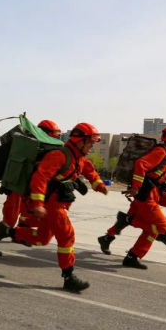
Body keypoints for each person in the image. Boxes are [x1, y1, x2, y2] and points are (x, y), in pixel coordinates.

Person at [98, 128, 166, 269]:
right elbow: (141, 164)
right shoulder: (162, 152)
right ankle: (133, 235)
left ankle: (111, 238)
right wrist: (136, 187)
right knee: (158, 227)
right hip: (147, 192)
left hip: (154, 191)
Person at [21, 123, 108, 291]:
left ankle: (9, 232)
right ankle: (69, 276)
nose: (92, 146)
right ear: (79, 141)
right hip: (52, 204)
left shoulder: (79, 158)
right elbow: (40, 178)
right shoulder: (59, 156)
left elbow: (90, 171)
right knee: (67, 235)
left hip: (58, 203)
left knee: (42, 238)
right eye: (90, 142)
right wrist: (38, 204)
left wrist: (100, 185)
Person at [0, 119, 62, 256]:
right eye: (53, 134)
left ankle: (19, 235)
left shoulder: (44, 148)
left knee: (29, 215)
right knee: (10, 219)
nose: (55, 137)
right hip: (17, 188)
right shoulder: (31, 147)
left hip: (26, 190)